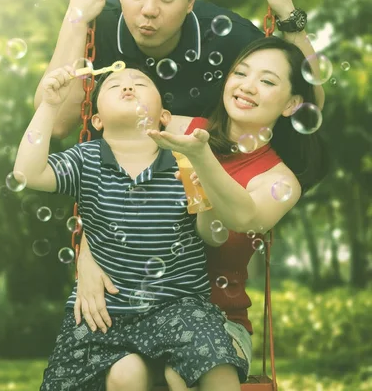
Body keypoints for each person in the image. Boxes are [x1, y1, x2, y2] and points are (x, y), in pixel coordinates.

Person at [74, 35, 328, 391]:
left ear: (291, 104)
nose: (247, 87)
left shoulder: (279, 180)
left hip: (222, 320)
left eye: (267, 81)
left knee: (187, 372)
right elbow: (113, 187)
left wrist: (202, 158)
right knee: (121, 374)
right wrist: (87, 256)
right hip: (143, 314)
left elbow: (243, 216)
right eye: (240, 73)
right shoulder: (174, 127)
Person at [13, 63, 250, 391]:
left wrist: (206, 200)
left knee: (215, 360)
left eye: (140, 83)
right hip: (105, 309)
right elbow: (28, 173)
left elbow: (210, 235)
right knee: (98, 378)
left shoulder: (186, 162)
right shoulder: (86, 160)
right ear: (97, 120)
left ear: (164, 117)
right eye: (113, 86)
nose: (127, 87)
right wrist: (49, 105)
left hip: (178, 304)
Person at [33, 0, 324, 139]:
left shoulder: (228, 37)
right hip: (113, 199)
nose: (149, 9)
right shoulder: (95, 22)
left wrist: (287, 13)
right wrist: (75, 18)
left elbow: (306, 104)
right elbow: (55, 125)